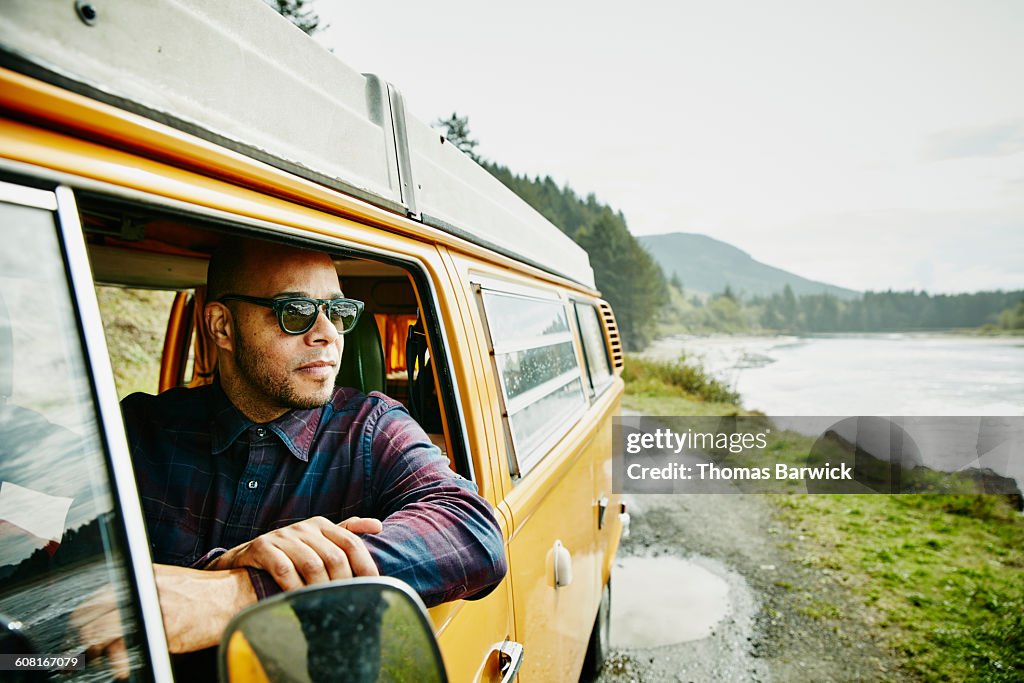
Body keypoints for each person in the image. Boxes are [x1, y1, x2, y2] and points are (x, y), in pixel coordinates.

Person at [121, 239, 508, 658]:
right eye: (296, 312)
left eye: (338, 313)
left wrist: (245, 590)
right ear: (223, 327)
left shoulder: (371, 429)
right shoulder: (141, 431)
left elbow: (473, 532)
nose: (327, 334)